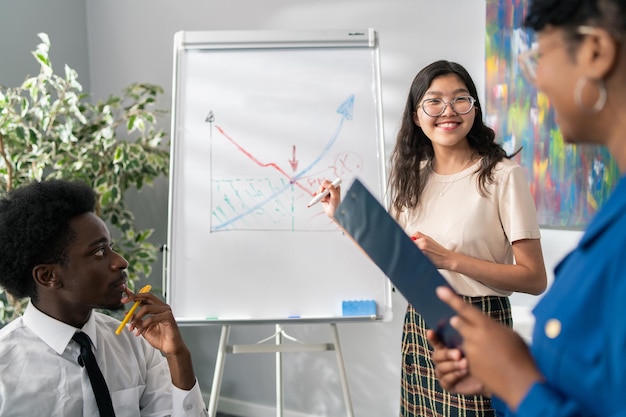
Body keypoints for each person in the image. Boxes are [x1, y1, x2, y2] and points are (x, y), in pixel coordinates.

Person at [428, 1, 626, 416]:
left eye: (538, 58)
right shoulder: (615, 209)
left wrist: (519, 381)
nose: (537, 83)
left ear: (595, 52)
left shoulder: (503, 175)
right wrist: (507, 374)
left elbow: (533, 277)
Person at [319, 60, 547, 417]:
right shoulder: (413, 176)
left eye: (460, 99)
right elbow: (392, 257)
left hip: (477, 324)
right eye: (434, 101)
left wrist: (450, 260)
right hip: (420, 327)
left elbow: (534, 278)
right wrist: (341, 217)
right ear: (415, 115)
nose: (448, 111)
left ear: (474, 108)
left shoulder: (503, 176)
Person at [0, 179, 208, 416]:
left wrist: (178, 356)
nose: (121, 261)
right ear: (48, 275)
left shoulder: (134, 344)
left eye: (110, 247)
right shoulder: (4, 370)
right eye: (99, 252)